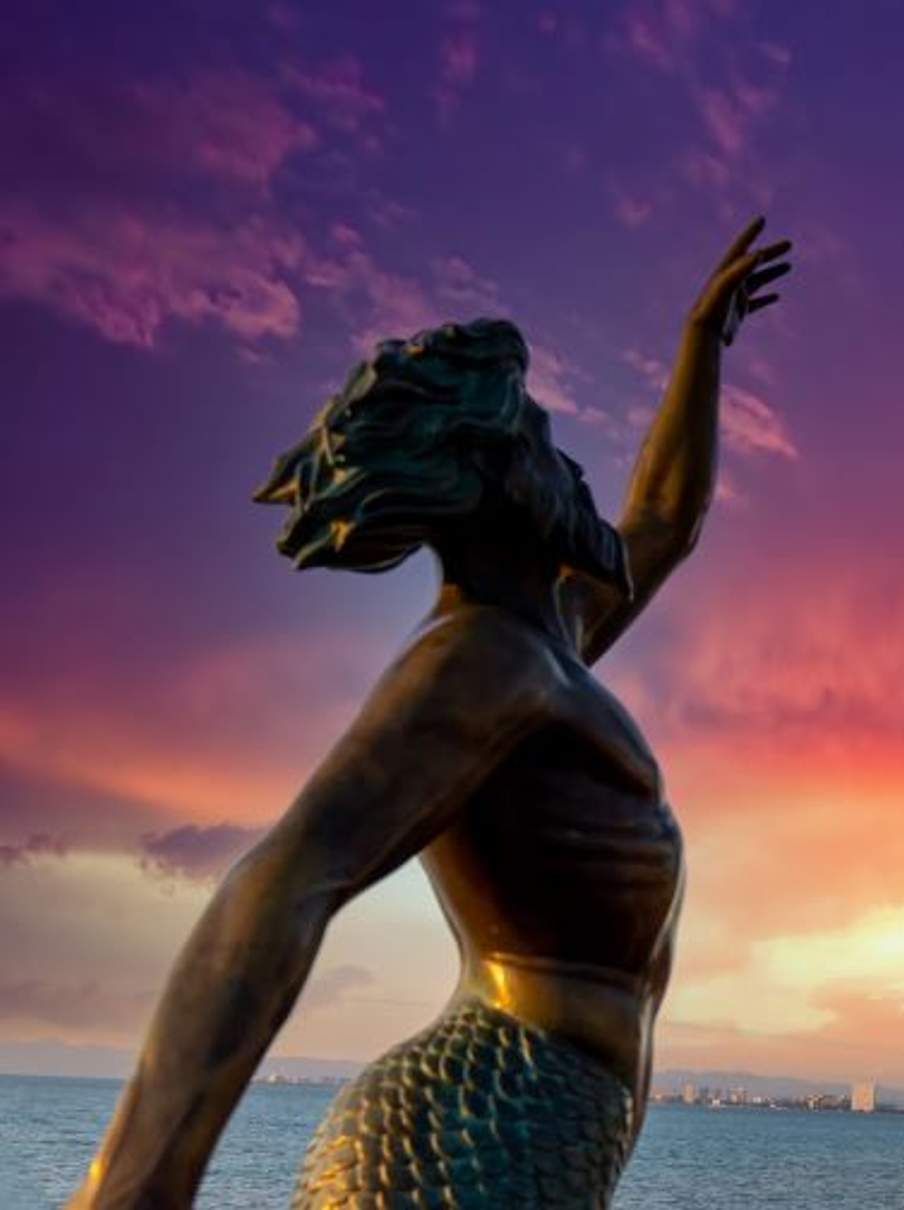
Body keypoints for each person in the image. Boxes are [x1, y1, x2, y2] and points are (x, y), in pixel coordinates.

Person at [66, 220, 791, 1209]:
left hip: (532, 1110)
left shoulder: (546, 640)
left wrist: (701, 346)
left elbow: (663, 524)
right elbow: (290, 873)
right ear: (499, 479)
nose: (566, 461)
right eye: (540, 438)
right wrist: (140, 1183)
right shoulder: (481, 660)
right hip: (480, 1121)